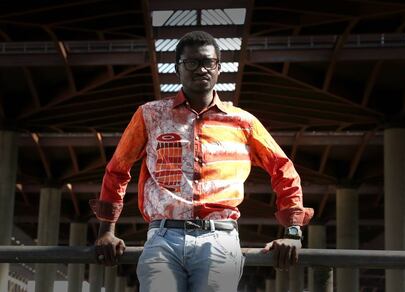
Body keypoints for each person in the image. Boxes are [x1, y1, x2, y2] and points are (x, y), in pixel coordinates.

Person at [90, 31, 314, 291]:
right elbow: (117, 169)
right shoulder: (150, 115)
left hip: (220, 237)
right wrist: (106, 230)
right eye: (191, 62)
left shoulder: (243, 122)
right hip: (162, 237)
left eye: (209, 63)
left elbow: (283, 169)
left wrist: (293, 233)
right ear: (177, 68)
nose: (201, 69)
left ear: (218, 68)